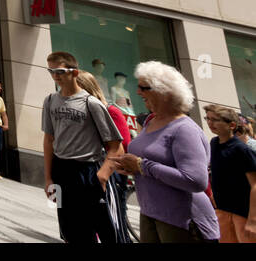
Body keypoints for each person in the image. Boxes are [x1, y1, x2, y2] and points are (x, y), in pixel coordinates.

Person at [109, 61, 218, 243]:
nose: (138, 92)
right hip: (151, 213)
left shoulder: (184, 129)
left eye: (144, 87)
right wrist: (132, 167)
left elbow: (196, 180)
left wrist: (141, 165)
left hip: (182, 221)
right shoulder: (152, 120)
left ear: (166, 92)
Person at [42, 51, 124, 243]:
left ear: (74, 72)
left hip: (87, 170)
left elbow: (115, 146)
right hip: (61, 170)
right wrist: (48, 178)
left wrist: (102, 175)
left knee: (104, 229)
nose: (56, 76)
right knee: (69, 228)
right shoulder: (50, 101)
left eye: (60, 71)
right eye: (51, 71)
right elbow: (48, 140)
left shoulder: (91, 103)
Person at [75, 71, 133, 243]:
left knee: (114, 225)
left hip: (109, 175)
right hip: (86, 174)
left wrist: (103, 174)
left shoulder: (110, 111)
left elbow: (123, 145)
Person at [203, 103, 256, 243]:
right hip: (222, 210)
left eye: (215, 120)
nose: (210, 123)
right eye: (207, 118)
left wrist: (253, 220)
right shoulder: (214, 143)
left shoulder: (241, 149)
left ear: (232, 125)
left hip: (243, 212)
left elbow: (255, 185)